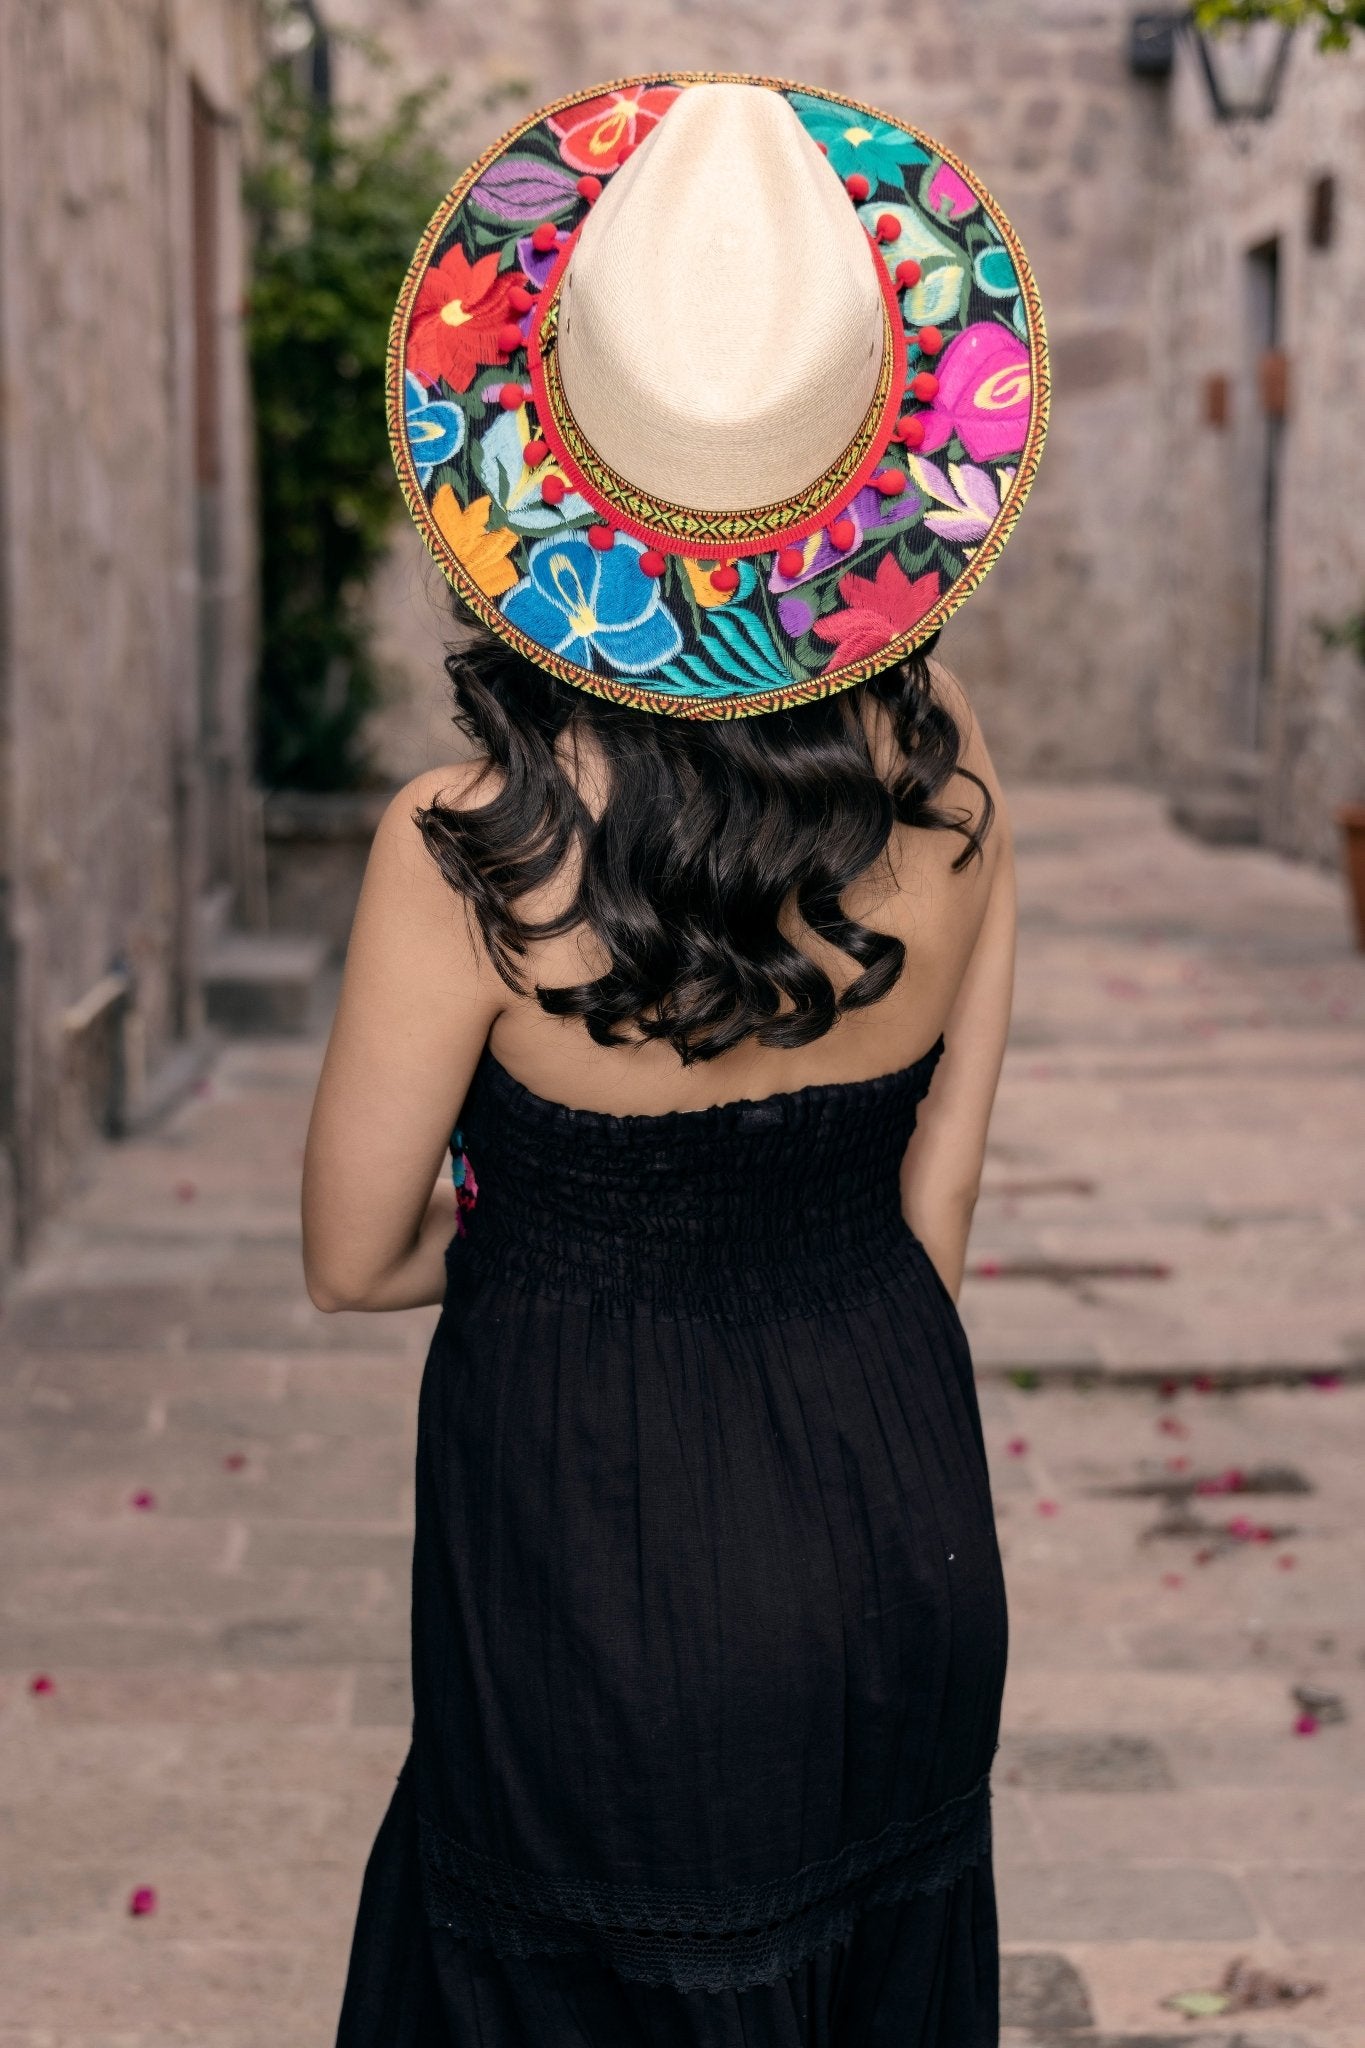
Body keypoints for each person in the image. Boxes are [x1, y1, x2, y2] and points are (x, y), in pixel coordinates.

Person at [304, 73, 1048, 2046]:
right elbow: (937, 1196)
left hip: (582, 1542)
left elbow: (356, 1246)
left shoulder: (462, 849)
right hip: (890, 1493)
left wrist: (542, 1217)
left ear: (545, 467)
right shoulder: (956, 785)